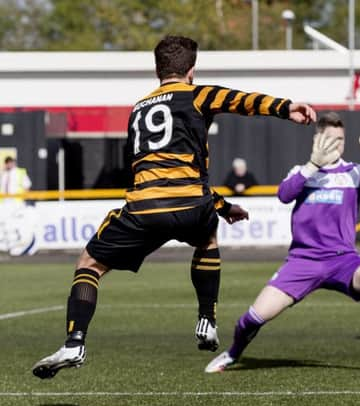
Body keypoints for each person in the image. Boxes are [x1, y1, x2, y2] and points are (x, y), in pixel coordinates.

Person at [32, 35, 317, 379]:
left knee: (89, 265)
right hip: (192, 203)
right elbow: (240, 100)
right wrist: (286, 108)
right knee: (207, 240)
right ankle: (207, 320)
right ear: (192, 71)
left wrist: (221, 205)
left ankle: (75, 341)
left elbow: (155, 170)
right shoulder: (197, 94)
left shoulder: (138, 110)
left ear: (157, 70)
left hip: (145, 207)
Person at [205, 113, 360, 374]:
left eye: (341, 140)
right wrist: (312, 165)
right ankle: (233, 354)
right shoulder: (302, 172)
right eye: (330, 139)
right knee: (254, 318)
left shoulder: (355, 173)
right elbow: (284, 195)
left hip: (343, 260)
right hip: (302, 262)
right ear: (317, 139)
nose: (337, 144)